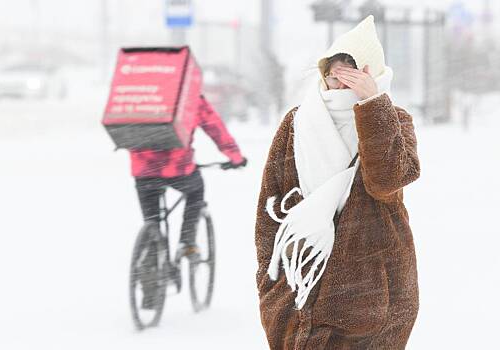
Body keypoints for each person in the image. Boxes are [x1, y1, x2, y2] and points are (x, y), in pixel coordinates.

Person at [255, 15, 420, 349]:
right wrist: (269, 284)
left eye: (353, 79)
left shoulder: (393, 118)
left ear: (371, 75)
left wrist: (372, 105)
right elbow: (270, 207)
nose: (341, 89)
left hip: (375, 297)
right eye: (335, 79)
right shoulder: (297, 123)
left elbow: (388, 180)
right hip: (300, 292)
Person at [132, 94, 247, 258]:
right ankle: (187, 243)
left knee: (152, 221)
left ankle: (151, 256)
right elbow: (215, 127)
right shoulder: (188, 93)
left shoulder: (139, 92)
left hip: (143, 169)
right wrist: (235, 157)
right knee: (196, 190)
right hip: (177, 168)